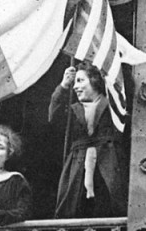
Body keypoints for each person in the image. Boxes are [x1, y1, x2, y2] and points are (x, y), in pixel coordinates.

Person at [48, 63, 127, 218]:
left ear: (95, 81)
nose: (75, 87)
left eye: (80, 81)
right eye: (74, 82)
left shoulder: (113, 106)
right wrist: (63, 86)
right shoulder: (73, 110)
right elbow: (53, 118)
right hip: (77, 168)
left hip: (108, 164)